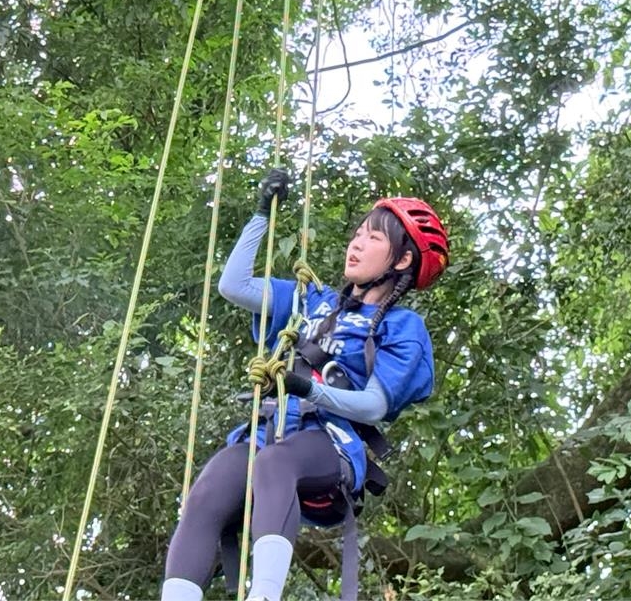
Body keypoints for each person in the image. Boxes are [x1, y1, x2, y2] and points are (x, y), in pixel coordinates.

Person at [160, 170, 449, 601]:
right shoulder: (312, 302)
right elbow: (232, 285)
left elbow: (372, 406)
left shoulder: (400, 326)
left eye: (373, 238)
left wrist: (308, 389)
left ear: (402, 261)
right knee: (212, 484)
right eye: (358, 234)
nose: (356, 243)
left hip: (329, 443)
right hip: (270, 429)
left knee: (276, 463)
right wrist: (262, 213)